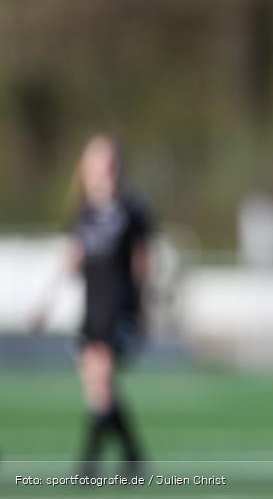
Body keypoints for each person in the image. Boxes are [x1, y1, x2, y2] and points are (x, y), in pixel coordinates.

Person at [31, 134, 151, 475]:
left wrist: (144, 308)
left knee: (100, 378)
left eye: (109, 158)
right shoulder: (83, 210)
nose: (105, 166)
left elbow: (142, 262)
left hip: (120, 305)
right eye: (97, 159)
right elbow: (72, 259)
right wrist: (45, 305)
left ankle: (89, 461)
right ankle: (132, 454)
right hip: (92, 308)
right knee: (97, 388)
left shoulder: (132, 207)